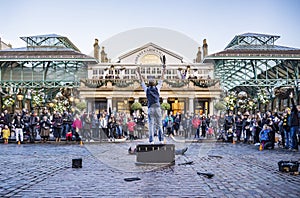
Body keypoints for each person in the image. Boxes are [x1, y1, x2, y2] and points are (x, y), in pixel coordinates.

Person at [136, 65, 166, 144]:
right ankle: (161, 140)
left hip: (150, 108)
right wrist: (164, 70)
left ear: (149, 84)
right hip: (157, 107)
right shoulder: (157, 87)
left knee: (151, 125)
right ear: (154, 83)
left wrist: (139, 72)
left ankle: (151, 141)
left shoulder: (146, 89)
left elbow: (142, 81)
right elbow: (162, 78)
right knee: (160, 124)